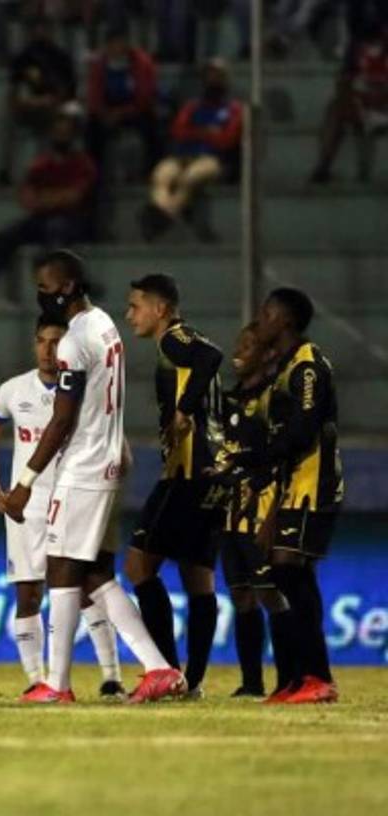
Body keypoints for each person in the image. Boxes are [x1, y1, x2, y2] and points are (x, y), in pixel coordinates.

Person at [4, 250, 185, 704]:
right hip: (103, 459)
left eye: (44, 289)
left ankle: (62, 684)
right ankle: (154, 668)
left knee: (64, 570)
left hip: (82, 466)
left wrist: (25, 481)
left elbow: (62, 420)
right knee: (90, 574)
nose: (40, 297)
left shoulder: (72, 343)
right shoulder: (104, 323)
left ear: (66, 288)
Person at [0, 315, 125, 700]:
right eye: (41, 341)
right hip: (27, 508)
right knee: (27, 595)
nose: (48, 349)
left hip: (74, 498)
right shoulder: (13, 390)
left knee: (86, 589)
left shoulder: (85, 390)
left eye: (56, 341)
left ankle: (111, 676)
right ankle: (35, 678)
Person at [123, 273, 224, 698]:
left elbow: (211, 357)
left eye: (136, 306)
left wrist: (182, 410)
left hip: (187, 473)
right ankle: (193, 682)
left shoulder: (174, 340)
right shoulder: (184, 341)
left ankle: (166, 672)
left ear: (160, 309)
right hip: (213, 474)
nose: (130, 315)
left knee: (139, 567)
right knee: (197, 576)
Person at [253, 288, 344, 704]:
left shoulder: (307, 366)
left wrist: (263, 456)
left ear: (285, 321)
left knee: (290, 572)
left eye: (268, 314)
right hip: (291, 486)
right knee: (285, 575)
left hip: (312, 485)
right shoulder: (286, 366)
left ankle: (317, 676)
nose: (262, 320)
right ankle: (295, 678)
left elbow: (305, 427)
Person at [211, 322, 298, 700]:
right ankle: (251, 683)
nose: (239, 350)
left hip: (262, 510)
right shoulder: (228, 400)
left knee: (272, 596)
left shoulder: (275, 400)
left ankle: (290, 680)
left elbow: (284, 459)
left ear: (268, 355)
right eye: (239, 342)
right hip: (229, 512)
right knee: (242, 596)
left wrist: (276, 515)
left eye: (250, 345)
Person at [0, 106, 96, 302]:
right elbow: (27, 198)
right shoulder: (41, 163)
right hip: (41, 220)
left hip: (73, 221)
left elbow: (74, 197)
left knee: (56, 232)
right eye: (57, 131)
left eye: (65, 131)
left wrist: (44, 198)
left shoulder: (83, 163)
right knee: (3, 237)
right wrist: (54, 199)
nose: (61, 136)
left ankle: (63, 295)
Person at [141, 58, 242, 242]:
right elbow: (178, 132)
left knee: (189, 178)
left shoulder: (234, 109)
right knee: (161, 175)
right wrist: (207, 132)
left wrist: (195, 132)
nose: (213, 80)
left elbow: (227, 140)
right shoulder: (192, 107)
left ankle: (161, 217)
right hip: (182, 156)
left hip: (212, 159)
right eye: (209, 75)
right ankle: (165, 213)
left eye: (217, 76)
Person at [0, 14, 76, 187]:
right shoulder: (21, 59)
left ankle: (48, 173)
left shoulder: (61, 58)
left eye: (44, 28)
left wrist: (51, 101)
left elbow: (68, 92)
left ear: (51, 31)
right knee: (7, 119)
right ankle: (4, 171)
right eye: (36, 28)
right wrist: (26, 103)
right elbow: (13, 92)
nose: (40, 32)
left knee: (62, 117)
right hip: (27, 108)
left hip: (53, 108)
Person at [309, 22, 388, 184]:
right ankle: (323, 168)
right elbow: (343, 82)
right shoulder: (356, 49)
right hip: (364, 105)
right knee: (335, 109)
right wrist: (358, 99)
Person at [85, 23, 160, 181]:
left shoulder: (142, 62)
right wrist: (104, 113)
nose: (118, 47)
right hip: (107, 111)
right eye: (114, 43)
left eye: (122, 42)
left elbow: (145, 96)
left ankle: (152, 172)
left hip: (135, 110)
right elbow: (94, 96)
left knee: (152, 126)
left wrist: (122, 113)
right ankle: (93, 176)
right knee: (91, 128)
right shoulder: (99, 64)